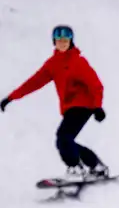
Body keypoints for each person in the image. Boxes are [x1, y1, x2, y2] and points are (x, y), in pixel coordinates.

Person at [1, 25, 109, 178]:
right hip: (70, 107)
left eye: (65, 41)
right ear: (54, 42)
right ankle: (96, 166)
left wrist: (98, 107)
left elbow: (96, 85)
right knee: (64, 141)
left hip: (84, 105)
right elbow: (34, 82)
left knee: (64, 137)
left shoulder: (78, 62)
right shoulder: (52, 64)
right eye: (59, 41)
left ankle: (76, 169)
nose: (62, 43)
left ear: (71, 42)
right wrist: (11, 97)